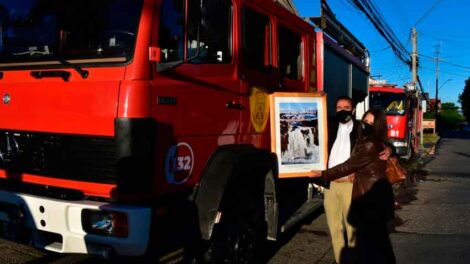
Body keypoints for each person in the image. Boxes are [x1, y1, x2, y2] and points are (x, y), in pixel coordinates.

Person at [321, 108, 396, 264]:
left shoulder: (365, 137)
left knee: (361, 236)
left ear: (353, 109)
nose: (366, 125)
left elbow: (350, 165)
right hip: (340, 187)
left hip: (360, 190)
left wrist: (321, 175)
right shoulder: (333, 128)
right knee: (338, 230)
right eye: (365, 121)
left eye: (370, 122)